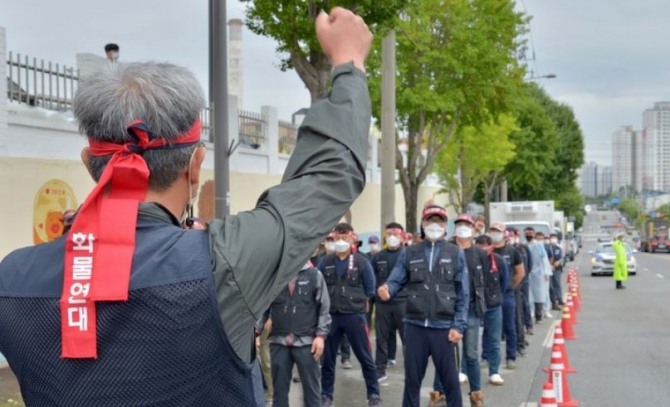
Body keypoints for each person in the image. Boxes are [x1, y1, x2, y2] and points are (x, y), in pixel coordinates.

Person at [0, 8, 373, 406]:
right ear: (195, 166)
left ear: (90, 164)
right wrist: (348, 65)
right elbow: (328, 177)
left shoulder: (13, 277)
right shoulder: (222, 263)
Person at [378, 205, 469, 407]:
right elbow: (396, 279)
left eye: (439, 221)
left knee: (451, 383)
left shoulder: (455, 253)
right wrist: (387, 288)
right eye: (430, 221)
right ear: (423, 223)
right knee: (412, 382)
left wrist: (458, 325)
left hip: (444, 329)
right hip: (415, 326)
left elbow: (463, 293)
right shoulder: (410, 252)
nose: (434, 225)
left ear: (445, 226)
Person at [318, 223, 381, 407]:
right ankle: (326, 395)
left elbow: (370, 289)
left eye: (344, 238)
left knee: (365, 357)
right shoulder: (325, 262)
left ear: (352, 238)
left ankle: (373, 394)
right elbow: (318, 287)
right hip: (331, 316)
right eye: (337, 237)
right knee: (328, 359)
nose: (340, 241)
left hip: (354, 315)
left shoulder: (361, 262)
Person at [432, 214, 487, 407]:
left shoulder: (479, 254)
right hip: (448, 311)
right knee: (445, 354)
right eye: (460, 225)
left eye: (467, 225)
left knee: (471, 354)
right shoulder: (446, 250)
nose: (463, 228)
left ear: (473, 230)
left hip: (471, 310)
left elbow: (484, 282)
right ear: (454, 229)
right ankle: (439, 391)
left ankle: (475, 393)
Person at [261, 261, 331, 407]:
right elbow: (263, 306)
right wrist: (256, 331)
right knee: (279, 395)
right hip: (279, 342)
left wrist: (320, 336)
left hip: (307, 342)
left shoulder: (315, 275)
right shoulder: (274, 276)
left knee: (312, 393)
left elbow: (324, 308)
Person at [371, 222, 407, 382]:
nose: (392, 238)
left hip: (403, 302)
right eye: (389, 235)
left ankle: (411, 369)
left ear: (402, 237)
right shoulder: (378, 257)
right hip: (383, 304)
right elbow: (371, 280)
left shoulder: (408, 255)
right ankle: (380, 370)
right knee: (381, 337)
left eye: (396, 235)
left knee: (407, 337)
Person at [489, 222, 525, 370]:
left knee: (510, 326)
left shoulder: (512, 251)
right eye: (492, 231)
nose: (494, 233)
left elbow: (520, 273)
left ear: (504, 233)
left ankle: (511, 357)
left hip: (507, 294)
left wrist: (510, 286)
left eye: (497, 231)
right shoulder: (487, 250)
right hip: (490, 294)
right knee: (490, 328)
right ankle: (487, 356)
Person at [476, 234, 509, 386]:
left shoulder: (499, 261)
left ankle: (494, 372)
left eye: (486, 247)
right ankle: (463, 371)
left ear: (491, 246)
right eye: (480, 247)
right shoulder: (471, 259)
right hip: (474, 305)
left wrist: (495, 298)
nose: (483, 250)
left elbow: (504, 282)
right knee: (470, 341)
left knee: (494, 340)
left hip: (494, 305)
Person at [526, 230, 553, 324]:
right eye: (527, 233)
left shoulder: (539, 246)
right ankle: (531, 312)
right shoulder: (525, 246)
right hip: (528, 273)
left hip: (539, 273)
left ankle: (540, 314)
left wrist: (546, 273)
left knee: (540, 294)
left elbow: (544, 260)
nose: (529, 235)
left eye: (530, 233)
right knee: (529, 294)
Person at [548, 233, 564, 310]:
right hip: (549, 268)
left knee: (557, 283)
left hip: (557, 269)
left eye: (555, 237)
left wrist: (558, 262)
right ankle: (553, 301)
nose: (553, 239)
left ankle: (559, 298)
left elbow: (561, 257)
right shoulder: (547, 247)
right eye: (552, 237)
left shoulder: (558, 248)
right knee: (550, 286)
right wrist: (550, 265)